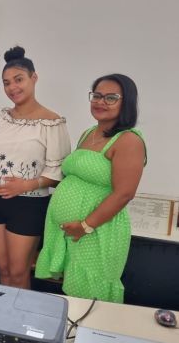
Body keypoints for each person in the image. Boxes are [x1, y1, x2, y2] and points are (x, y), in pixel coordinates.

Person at [35, 74, 146, 303]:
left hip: (97, 230)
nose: (100, 102)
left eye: (110, 98)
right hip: (73, 231)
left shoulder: (129, 140)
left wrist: (85, 226)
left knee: (91, 299)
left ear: (126, 102)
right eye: (96, 95)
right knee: (73, 296)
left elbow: (124, 193)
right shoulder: (89, 133)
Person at [0, 46, 71, 289]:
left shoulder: (52, 122)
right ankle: (4, 312)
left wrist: (26, 185)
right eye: (6, 83)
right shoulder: (1, 118)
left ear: (33, 78)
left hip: (28, 204)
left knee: (19, 272)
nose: (12, 88)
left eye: (19, 80)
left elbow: (59, 173)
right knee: (3, 270)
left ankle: (19, 314)